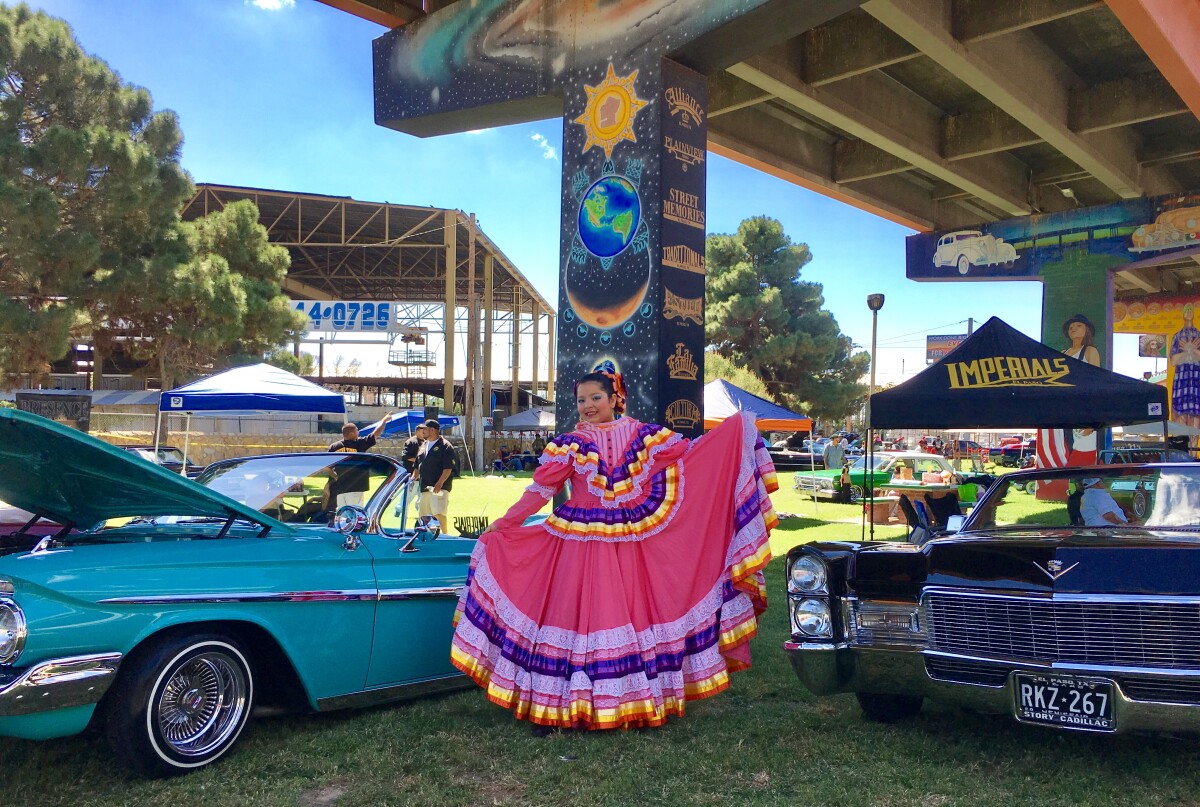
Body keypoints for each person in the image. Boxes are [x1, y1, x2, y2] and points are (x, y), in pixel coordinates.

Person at [450, 361, 777, 734]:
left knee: (632, 614)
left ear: (613, 398)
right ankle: (556, 704)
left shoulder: (645, 436)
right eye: (581, 400)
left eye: (595, 398)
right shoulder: (569, 444)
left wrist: (733, 434)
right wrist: (506, 524)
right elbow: (540, 491)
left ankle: (632, 701)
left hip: (630, 541)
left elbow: (691, 458)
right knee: (569, 616)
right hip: (577, 541)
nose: (588, 405)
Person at [416, 418, 455, 532]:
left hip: (439, 487)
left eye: (424, 429)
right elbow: (418, 464)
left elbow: (448, 468)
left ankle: (444, 536)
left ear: (432, 430)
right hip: (425, 487)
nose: (422, 431)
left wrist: (440, 482)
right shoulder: (424, 444)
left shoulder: (445, 446)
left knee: (438, 513)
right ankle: (428, 537)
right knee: (424, 515)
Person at [1171, 303, 1200, 430]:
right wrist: (1186, 351)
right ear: (1182, 314)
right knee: (1180, 418)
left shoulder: (1199, 335)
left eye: (1190, 310)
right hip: (1181, 383)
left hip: (1196, 382)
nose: (1188, 312)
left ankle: (1193, 450)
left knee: (1195, 418)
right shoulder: (1177, 336)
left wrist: (1192, 350)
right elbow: (1173, 361)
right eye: (1186, 310)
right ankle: (1183, 449)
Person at [328, 412, 393, 453]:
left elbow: (327, 466)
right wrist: (384, 420)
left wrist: (334, 475)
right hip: (360, 475)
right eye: (357, 430)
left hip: (340, 475)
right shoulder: (360, 444)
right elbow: (376, 433)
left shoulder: (333, 447)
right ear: (351, 434)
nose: (358, 432)